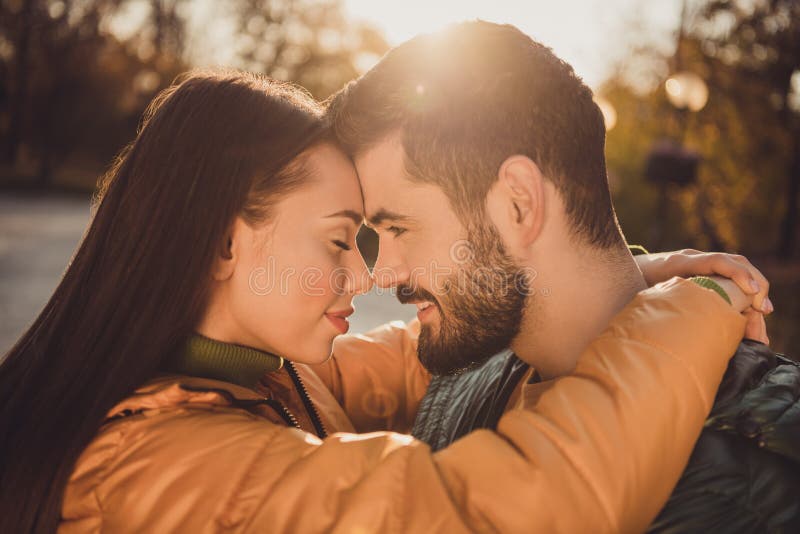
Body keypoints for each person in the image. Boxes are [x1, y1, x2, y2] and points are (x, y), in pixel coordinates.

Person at [0, 70, 756, 534]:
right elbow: (504, 512)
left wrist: (633, 273)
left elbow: (410, 362)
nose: (365, 278)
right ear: (226, 244)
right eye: (341, 241)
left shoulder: (241, 378)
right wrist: (702, 301)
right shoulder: (163, 467)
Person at [326, 20, 800, 531]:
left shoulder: (760, 470)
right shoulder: (469, 368)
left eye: (397, 226)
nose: (382, 273)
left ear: (519, 203)